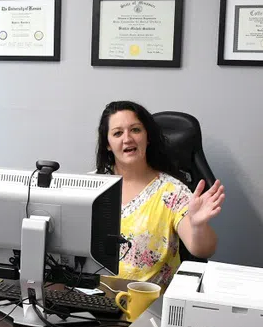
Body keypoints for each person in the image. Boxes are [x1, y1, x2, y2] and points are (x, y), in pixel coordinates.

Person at [95, 101, 225, 288]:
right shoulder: (90, 188)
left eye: (135, 130)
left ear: (147, 137)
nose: (127, 139)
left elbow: (203, 249)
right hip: (91, 303)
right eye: (117, 133)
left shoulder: (172, 192)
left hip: (148, 307)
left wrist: (198, 226)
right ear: (107, 144)